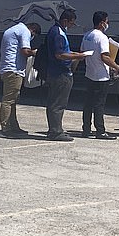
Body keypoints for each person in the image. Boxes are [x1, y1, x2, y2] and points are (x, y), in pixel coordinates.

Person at [45, 9, 86, 142]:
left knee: (53, 102)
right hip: (60, 73)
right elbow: (60, 54)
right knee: (58, 103)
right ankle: (56, 131)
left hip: (55, 72)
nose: (72, 26)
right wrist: (78, 56)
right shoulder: (58, 33)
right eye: (71, 23)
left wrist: (72, 53)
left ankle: (54, 129)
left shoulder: (56, 31)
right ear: (65, 21)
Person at [80, 11, 119, 140]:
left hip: (89, 73)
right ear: (102, 23)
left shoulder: (87, 35)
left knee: (88, 103)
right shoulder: (102, 37)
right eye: (107, 22)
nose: (108, 24)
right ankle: (100, 131)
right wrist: (116, 66)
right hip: (101, 76)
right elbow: (105, 57)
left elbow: (82, 53)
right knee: (99, 104)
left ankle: (86, 129)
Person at [0, 21, 41, 138]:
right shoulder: (25, 32)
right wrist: (36, 52)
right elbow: (25, 51)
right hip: (14, 70)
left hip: (7, 68)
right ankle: (5, 128)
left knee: (13, 99)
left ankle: (13, 125)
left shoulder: (12, 29)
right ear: (33, 30)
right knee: (9, 100)